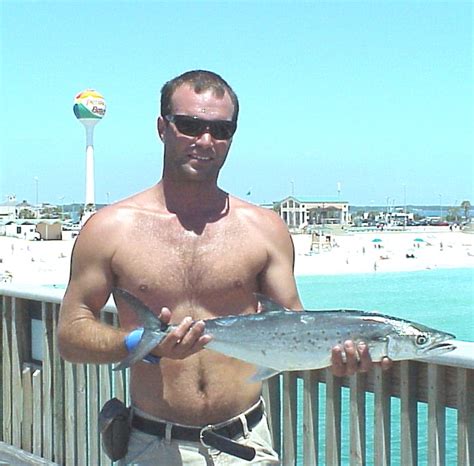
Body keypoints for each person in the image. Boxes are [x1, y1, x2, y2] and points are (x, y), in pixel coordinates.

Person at [58, 70, 389, 465]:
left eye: (220, 130)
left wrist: (338, 356)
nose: (204, 141)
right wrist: (140, 346)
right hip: (152, 445)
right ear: (162, 128)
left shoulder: (264, 230)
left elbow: (294, 325)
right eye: (190, 125)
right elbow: (70, 335)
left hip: (246, 444)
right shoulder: (109, 229)